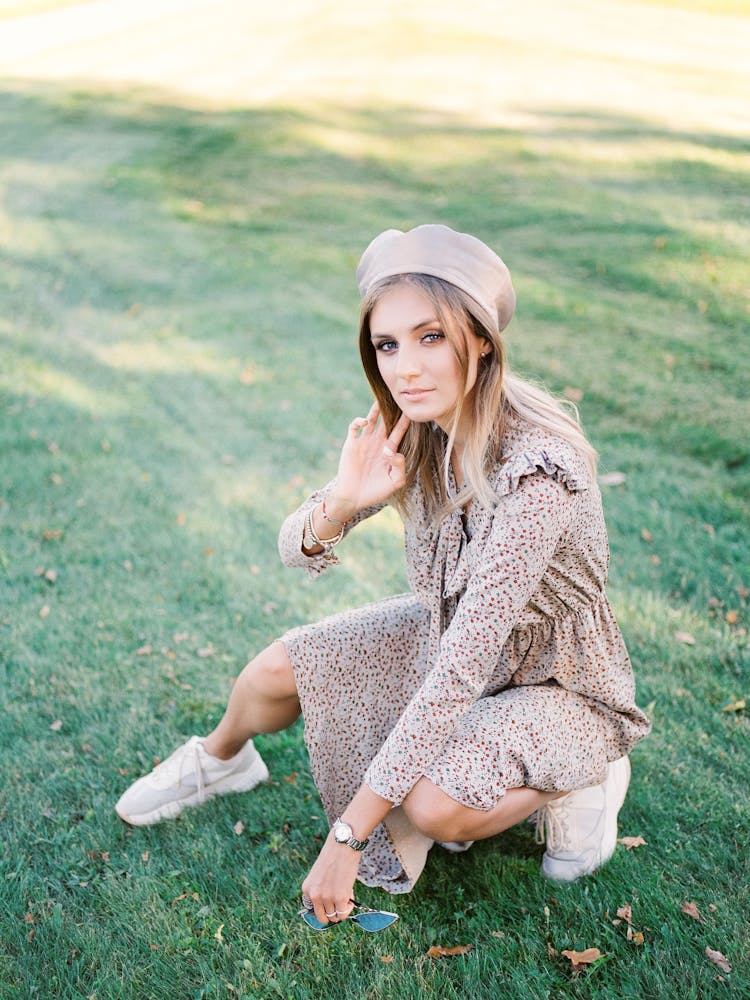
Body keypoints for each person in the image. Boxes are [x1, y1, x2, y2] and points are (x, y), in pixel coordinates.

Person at [115, 224, 651, 927]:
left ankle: (583, 775)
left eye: (430, 337)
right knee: (280, 668)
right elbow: (291, 550)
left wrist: (349, 834)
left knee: (434, 807)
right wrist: (342, 503)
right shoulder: (420, 428)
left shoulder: (537, 473)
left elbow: (462, 667)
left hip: (559, 680)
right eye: (387, 344)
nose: (406, 368)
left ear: (481, 337)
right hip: (449, 637)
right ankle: (221, 761)